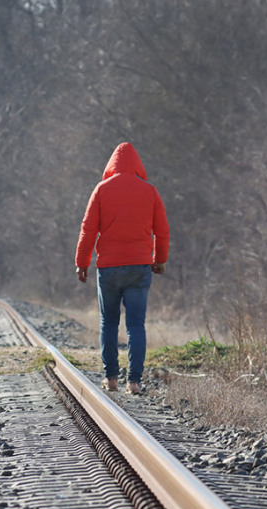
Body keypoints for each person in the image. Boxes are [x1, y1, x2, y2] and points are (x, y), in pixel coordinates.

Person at [75, 142, 169, 395]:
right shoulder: (150, 191)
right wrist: (159, 259)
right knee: (136, 325)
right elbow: (162, 230)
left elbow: (88, 229)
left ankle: (111, 379)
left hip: (108, 268)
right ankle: (135, 382)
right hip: (139, 267)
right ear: (138, 166)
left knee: (109, 323)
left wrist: (81, 263)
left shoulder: (102, 190)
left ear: (111, 165)